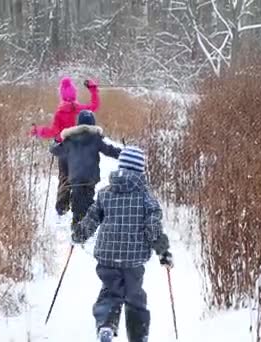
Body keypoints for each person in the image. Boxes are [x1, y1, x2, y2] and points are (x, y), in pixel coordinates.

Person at [71, 146, 174, 342]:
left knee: (110, 291)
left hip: (107, 255)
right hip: (134, 259)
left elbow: (92, 218)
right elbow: (153, 227)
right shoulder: (146, 198)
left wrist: (79, 234)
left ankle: (106, 325)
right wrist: (163, 251)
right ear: (140, 170)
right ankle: (138, 335)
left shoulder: (105, 193)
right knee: (135, 296)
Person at [31, 77, 100, 216]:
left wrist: (38, 131)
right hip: (80, 149)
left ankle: (62, 205)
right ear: (74, 94)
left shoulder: (60, 113)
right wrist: (93, 90)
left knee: (64, 176)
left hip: (64, 149)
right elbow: (94, 106)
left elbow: (54, 131)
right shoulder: (79, 110)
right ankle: (80, 201)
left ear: (62, 95)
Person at [49, 110, 121, 226]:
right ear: (93, 123)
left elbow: (55, 150)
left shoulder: (70, 139)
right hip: (90, 179)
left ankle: (79, 229)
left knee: (79, 205)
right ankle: (83, 229)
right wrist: (125, 153)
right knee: (86, 203)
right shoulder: (95, 138)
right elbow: (110, 150)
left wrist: (54, 142)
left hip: (75, 178)